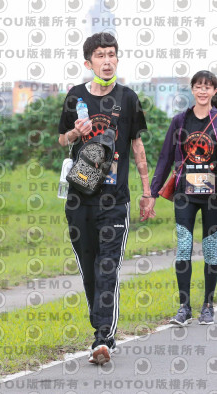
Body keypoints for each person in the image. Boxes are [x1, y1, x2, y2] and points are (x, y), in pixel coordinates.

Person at [57, 32, 154, 365]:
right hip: (79, 198)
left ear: (117, 59)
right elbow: (62, 139)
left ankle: (103, 338)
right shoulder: (75, 96)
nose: (107, 61)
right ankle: (99, 327)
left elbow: (137, 145)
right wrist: (76, 132)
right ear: (89, 63)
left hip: (115, 199)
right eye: (100, 55)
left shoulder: (128, 98)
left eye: (112, 54)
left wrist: (147, 191)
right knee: (89, 270)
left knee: (107, 268)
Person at [149, 70, 217, 326]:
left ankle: (208, 306)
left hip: (214, 196)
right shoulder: (180, 121)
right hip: (184, 194)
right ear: (192, 89)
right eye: (198, 86)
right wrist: (152, 193)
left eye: (207, 87)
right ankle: (184, 307)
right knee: (184, 246)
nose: (202, 90)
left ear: (214, 91)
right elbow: (165, 158)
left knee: (210, 250)